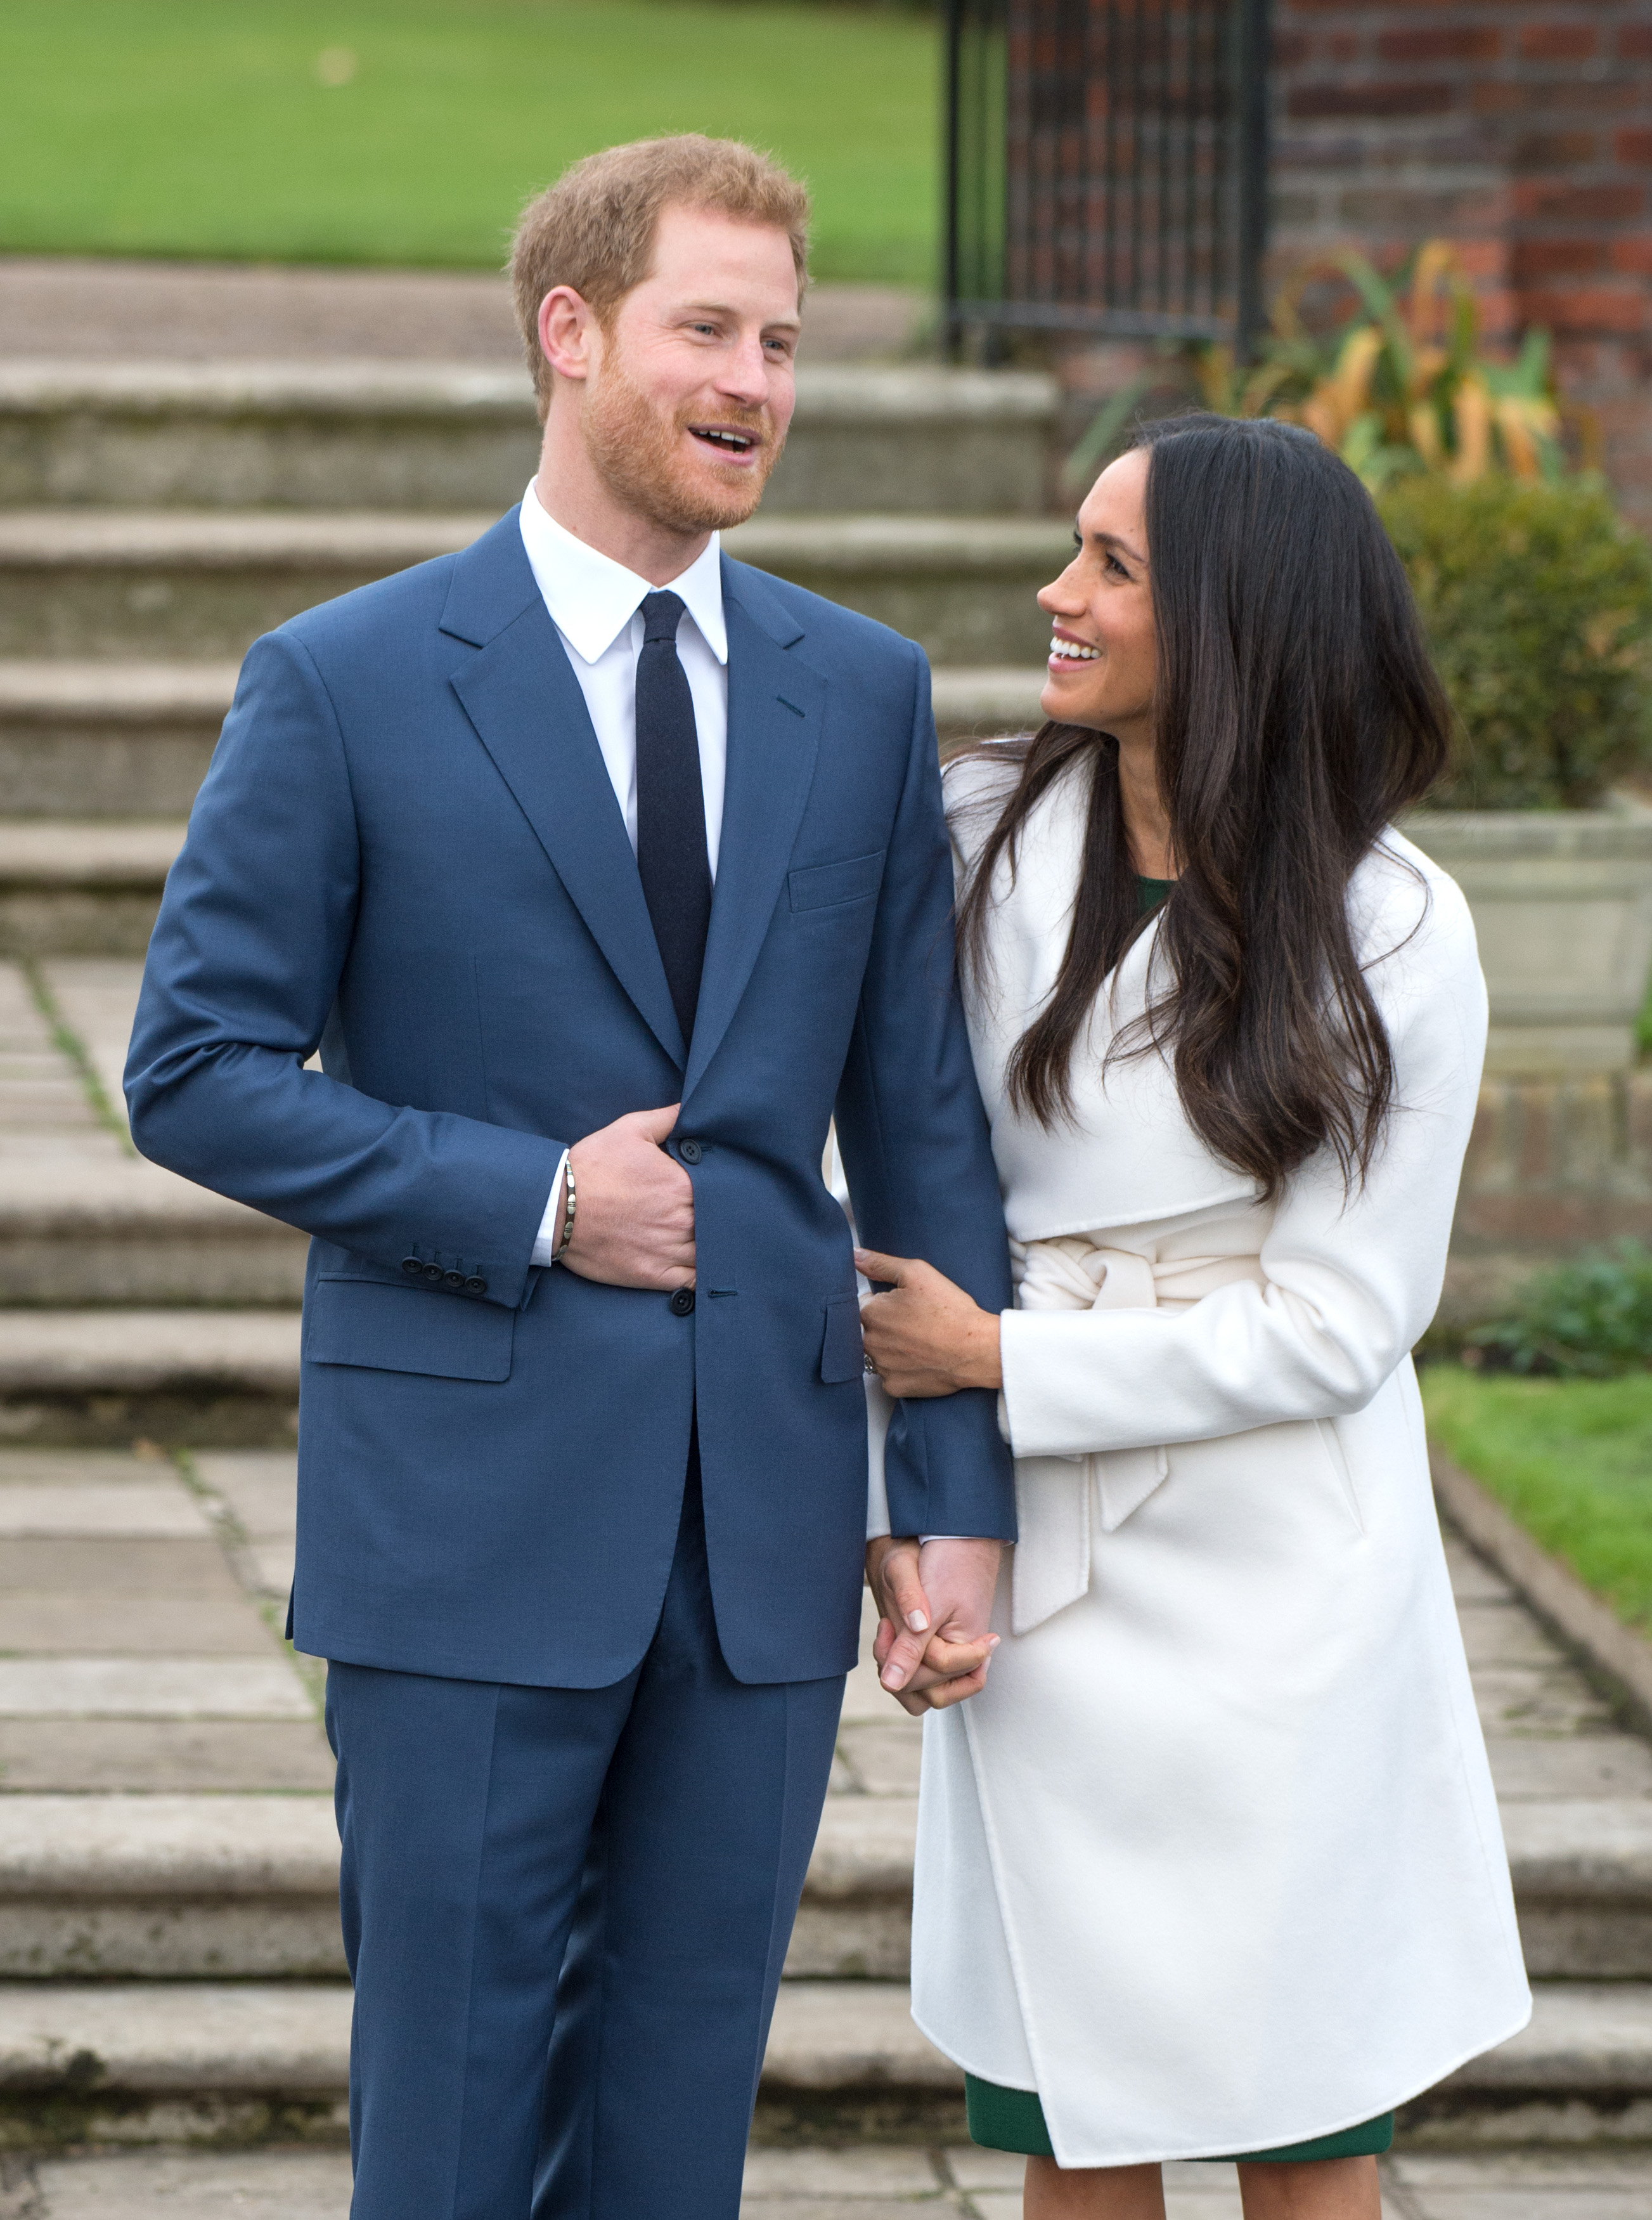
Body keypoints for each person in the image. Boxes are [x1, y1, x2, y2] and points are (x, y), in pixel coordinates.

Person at [124, 135, 1014, 2220]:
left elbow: (922, 1123)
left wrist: (955, 1499)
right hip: (465, 1520)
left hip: (763, 1532)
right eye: (709, 327)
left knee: (677, 2130)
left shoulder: (861, 691)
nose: (757, 381)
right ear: (572, 333)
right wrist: (535, 1200)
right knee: (445, 2122)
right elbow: (192, 1071)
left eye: (783, 343)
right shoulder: (343, 682)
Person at [859, 414, 1532, 2220]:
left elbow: (1340, 1324)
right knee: (1069, 2114)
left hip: (1285, 1592)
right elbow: (896, 1186)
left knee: (1305, 2119)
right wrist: (907, 1508)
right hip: (1045, 1569)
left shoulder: (1393, 925)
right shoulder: (970, 832)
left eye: (1111, 566)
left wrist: (1002, 1361)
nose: (1055, 595)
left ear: (1235, 618)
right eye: (1072, 547)